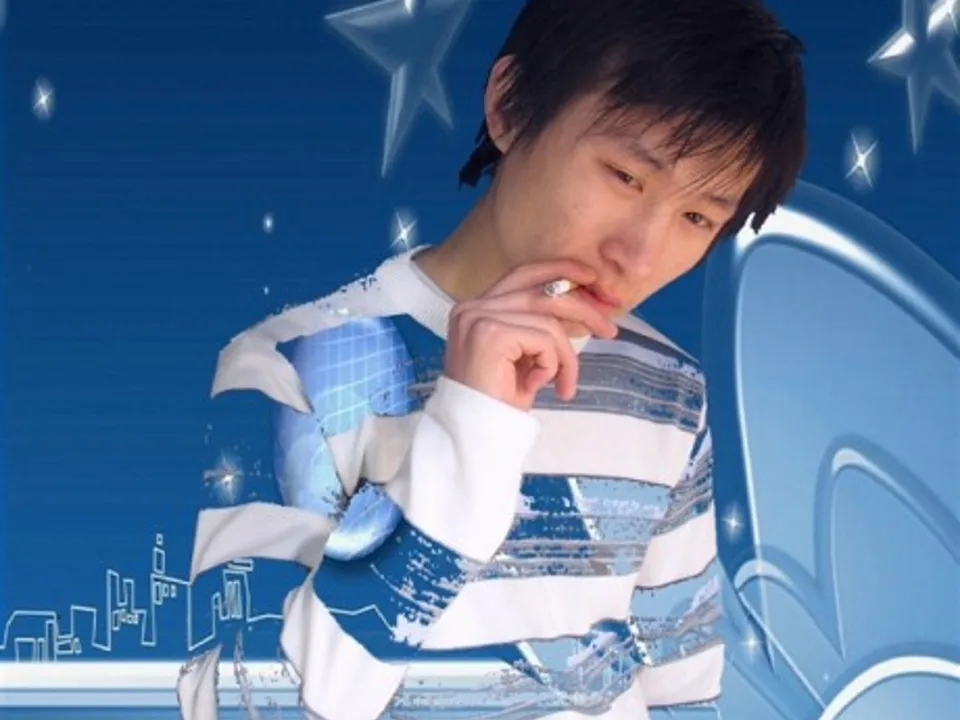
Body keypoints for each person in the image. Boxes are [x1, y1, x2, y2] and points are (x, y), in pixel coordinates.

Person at [186, 1, 806, 719]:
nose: (638, 255)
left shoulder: (667, 391)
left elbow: (680, 685)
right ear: (510, 106)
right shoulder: (291, 368)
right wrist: (471, 426)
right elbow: (264, 696)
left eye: (697, 218)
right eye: (625, 176)